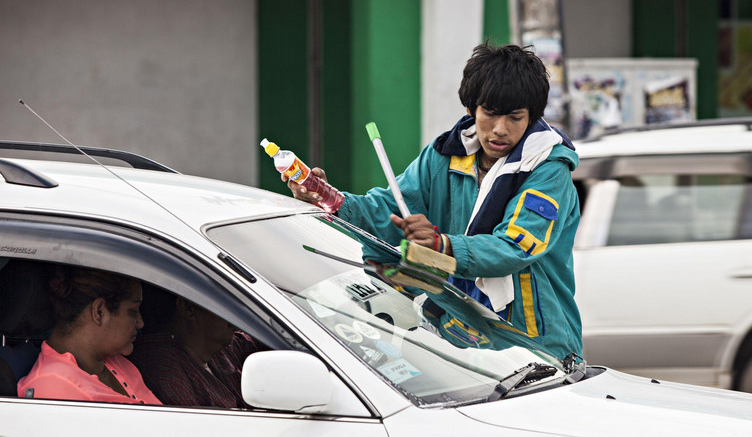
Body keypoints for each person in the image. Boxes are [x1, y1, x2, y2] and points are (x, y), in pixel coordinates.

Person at [288, 43, 582, 360]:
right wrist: (328, 197)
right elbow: (386, 213)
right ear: (471, 109)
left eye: (514, 117)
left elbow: (514, 247)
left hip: (539, 348)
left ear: (532, 117)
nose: (500, 129)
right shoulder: (443, 156)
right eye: (491, 114)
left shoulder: (548, 170)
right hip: (462, 345)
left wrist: (441, 246)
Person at [17, 266, 161, 404]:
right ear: (100, 312)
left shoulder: (116, 362)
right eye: (133, 311)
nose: (141, 323)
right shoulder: (53, 388)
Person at [129, 295, 263, 408]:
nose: (237, 314)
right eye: (226, 304)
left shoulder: (215, 348)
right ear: (188, 308)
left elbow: (263, 338)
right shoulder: (165, 372)